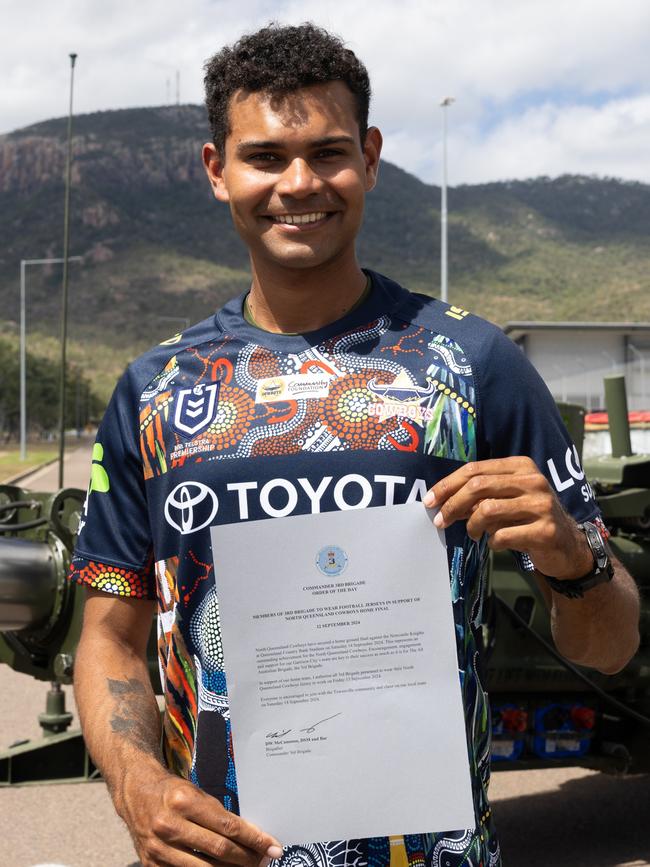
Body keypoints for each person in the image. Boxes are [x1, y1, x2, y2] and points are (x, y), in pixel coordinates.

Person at [70, 22, 640, 867]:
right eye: (265, 156)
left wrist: (573, 560)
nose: (300, 184)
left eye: (329, 152)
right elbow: (110, 635)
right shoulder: (155, 391)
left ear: (370, 158)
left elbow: (612, 644)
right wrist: (136, 782)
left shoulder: (475, 362)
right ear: (215, 170)